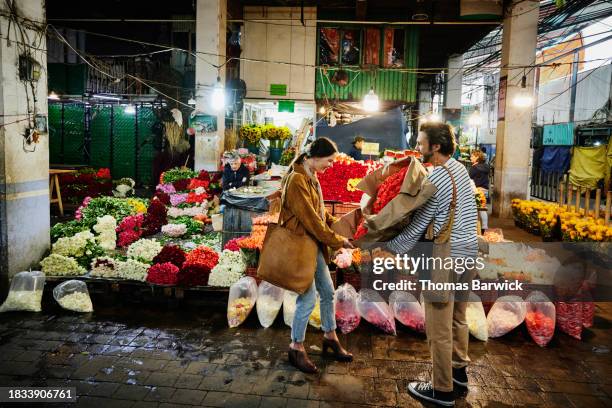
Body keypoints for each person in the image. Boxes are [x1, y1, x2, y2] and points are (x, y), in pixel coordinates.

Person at [381, 122, 478, 406]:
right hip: (468, 254)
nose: (419, 147)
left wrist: (390, 247)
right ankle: (459, 372)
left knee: (438, 327)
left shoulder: (437, 177)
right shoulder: (460, 169)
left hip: (445, 259)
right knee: (459, 317)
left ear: (435, 147)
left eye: (422, 143)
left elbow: (420, 224)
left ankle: (441, 390)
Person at [281, 137, 354, 374]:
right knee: (308, 297)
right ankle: (296, 346)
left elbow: (320, 215)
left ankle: (330, 336)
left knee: (327, 291)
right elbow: (311, 222)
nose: (331, 165)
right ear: (314, 157)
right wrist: (337, 240)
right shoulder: (297, 180)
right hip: (302, 246)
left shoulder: (312, 178)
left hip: (314, 246)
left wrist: (346, 225)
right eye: (329, 161)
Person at [469, 150, 490, 233]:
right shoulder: (486, 166)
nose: (470, 157)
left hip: (476, 190)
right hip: (484, 190)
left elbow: (469, 179)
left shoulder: (474, 168)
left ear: (477, 157)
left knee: (472, 209)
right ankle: (484, 227)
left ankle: (473, 228)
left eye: (472, 156)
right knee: (482, 209)